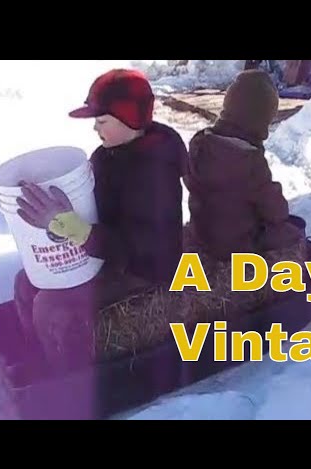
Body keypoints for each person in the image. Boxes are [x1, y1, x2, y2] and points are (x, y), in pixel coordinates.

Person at [13, 68, 188, 374]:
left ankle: (70, 383)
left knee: (52, 306)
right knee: (28, 282)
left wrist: (77, 230)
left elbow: (140, 246)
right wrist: (63, 212)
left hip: (144, 269)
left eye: (102, 121)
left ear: (130, 120)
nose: (95, 128)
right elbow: (95, 208)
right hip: (107, 253)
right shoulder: (107, 155)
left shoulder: (154, 171)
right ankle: (35, 356)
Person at [183, 69, 305, 315]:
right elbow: (274, 210)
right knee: (290, 232)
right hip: (236, 246)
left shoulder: (199, 144)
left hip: (200, 232)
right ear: (261, 121)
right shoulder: (250, 162)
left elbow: (189, 178)